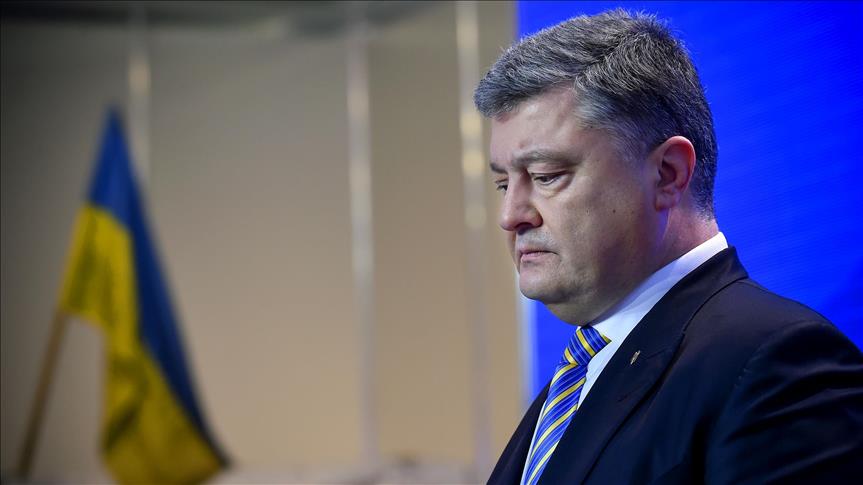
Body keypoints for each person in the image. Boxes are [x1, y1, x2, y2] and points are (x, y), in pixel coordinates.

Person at [474, 9, 863, 485]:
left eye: (546, 176)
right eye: (503, 184)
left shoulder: (778, 364)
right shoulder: (579, 379)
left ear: (667, 174)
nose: (511, 215)